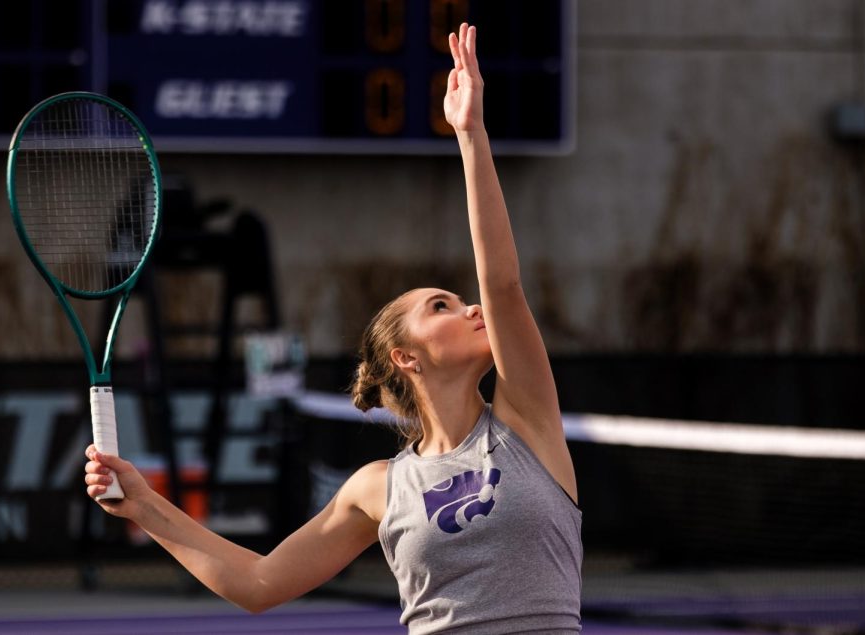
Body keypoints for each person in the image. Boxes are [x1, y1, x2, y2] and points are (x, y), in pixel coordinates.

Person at [83, 24, 582, 634]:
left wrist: (471, 135)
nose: (472, 307)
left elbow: (502, 283)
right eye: (442, 306)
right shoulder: (380, 487)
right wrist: (142, 504)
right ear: (406, 357)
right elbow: (260, 584)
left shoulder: (527, 422)